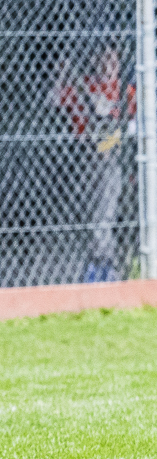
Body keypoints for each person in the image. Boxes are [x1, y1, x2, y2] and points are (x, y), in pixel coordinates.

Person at [52, 44, 136, 282]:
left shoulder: (124, 91)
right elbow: (55, 100)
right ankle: (94, 263)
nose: (108, 66)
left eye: (112, 61)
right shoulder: (85, 86)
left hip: (111, 159)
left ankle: (103, 266)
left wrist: (115, 139)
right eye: (103, 60)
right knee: (88, 215)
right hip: (81, 157)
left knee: (103, 216)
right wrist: (62, 72)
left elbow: (137, 121)